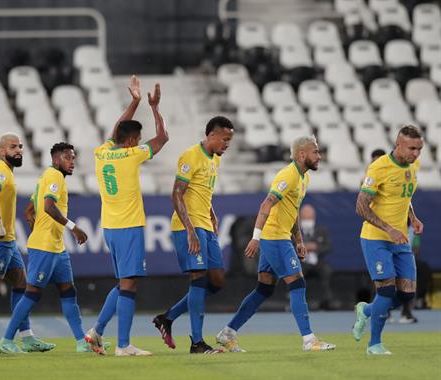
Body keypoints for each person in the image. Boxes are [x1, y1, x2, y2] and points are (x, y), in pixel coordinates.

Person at [216, 135, 336, 353]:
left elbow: (293, 211)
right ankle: (309, 340)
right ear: (302, 155)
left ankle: (228, 332)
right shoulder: (288, 174)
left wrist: (299, 240)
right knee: (298, 284)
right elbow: (267, 203)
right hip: (275, 238)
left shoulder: (303, 178)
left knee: (264, 289)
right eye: (315, 152)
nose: (319, 156)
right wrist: (255, 237)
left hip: (280, 237)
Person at [85, 75, 169, 356]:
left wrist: (134, 102)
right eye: (138, 139)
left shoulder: (102, 153)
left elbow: (115, 133)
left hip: (110, 227)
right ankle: (123, 345)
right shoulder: (132, 154)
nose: (139, 142)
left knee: (123, 282)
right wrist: (154, 107)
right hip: (129, 226)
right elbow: (163, 138)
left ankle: (96, 332)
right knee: (129, 285)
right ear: (132, 140)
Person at [0, 142, 93, 353]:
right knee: (32, 292)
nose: (72, 162)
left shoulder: (45, 177)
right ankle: (6, 340)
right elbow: (49, 207)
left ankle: (81, 342)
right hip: (45, 246)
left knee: (68, 291)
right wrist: (73, 227)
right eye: (68, 158)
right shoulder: (55, 176)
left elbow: (29, 211)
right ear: (56, 159)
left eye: (73, 158)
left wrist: (38, 229)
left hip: (56, 246)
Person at [152, 116, 234, 354]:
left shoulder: (215, 159)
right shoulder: (191, 156)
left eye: (230, 140)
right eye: (225, 139)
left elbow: (201, 190)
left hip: (205, 226)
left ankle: (167, 318)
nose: (227, 144)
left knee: (217, 281)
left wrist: (212, 213)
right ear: (211, 136)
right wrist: (190, 230)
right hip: (188, 226)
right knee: (198, 277)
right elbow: (177, 194)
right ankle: (197, 342)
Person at [0, 133, 53, 354]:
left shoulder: (2, 171)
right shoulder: (0, 171)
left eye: (20, 146)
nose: (19, 150)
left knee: (21, 284)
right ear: (2, 151)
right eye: (13, 147)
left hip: (8, 241)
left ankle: (27, 337)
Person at [353, 125, 424, 355]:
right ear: (399, 145)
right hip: (376, 238)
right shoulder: (379, 167)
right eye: (412, 148)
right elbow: (361, 207)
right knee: (386, 290)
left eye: (419, 149)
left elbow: (404, 196)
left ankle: (366, 311)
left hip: (400, 239)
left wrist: (412, 218)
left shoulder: (413, 165)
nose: (416, 154)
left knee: (407, 293)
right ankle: (374, 343)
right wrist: (390, 230)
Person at [299, 204, 334, 310]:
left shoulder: (321, 230)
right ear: (300, 218)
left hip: (317, 262)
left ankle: (326, 301)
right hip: (301, 263)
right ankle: (299, 302)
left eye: (310, 218)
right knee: (296, 272)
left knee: (326, 269)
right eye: (305, 218)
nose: (307, 220)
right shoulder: (294, 231)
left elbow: (328, 246)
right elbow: (289, 246)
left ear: (314, 218)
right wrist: (302, 248)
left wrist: (316, 247)